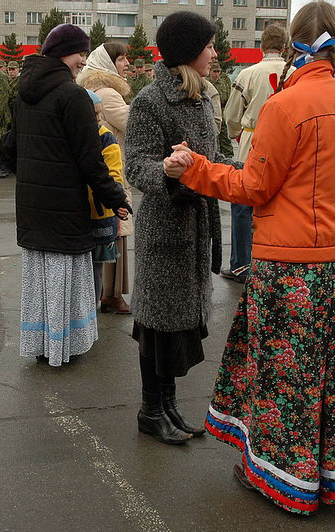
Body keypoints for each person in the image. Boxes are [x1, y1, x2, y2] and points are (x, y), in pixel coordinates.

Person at [164, 1, 335, 514]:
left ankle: (285, 478)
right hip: (333, 261)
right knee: (330, 368)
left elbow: (255, 186)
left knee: (286, 375)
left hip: (288, 263)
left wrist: (193, 168)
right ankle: (331, 475)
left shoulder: (287, 106)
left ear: (293, 46)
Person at [125, 12, 238, 445]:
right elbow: (136, 165)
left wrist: (253, 169)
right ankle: (150, 410)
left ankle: (167, 404)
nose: (214, 52)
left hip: (193, 229)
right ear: (188, 52)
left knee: (176, 326)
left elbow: (214, 161)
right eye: (208, 46)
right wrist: (168, 170)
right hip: (165, 230)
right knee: (156, 325)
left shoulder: (202, 98)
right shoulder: (150, 101)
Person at [0, 24, 130, 367]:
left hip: (32, 208)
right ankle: (62, 349)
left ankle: (42, 346)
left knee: (40, 280)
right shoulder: (73, 97)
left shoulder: (24, 92)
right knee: (65, 280)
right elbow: (90, 161)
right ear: (63, 52)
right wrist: (116, 197)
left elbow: (11, 146)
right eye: (80, 53)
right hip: (66, 207)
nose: (84, 60)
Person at [221, 23, 290, 283]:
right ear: (285, 46)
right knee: (281, 205)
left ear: (262, 46)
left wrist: (236, 132)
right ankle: (277, 263)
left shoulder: (248, 74)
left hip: (253, 143)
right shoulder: (296, 72)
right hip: (286, 146)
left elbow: (232, 115)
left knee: (243, 207)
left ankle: (241, 265)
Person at [77, 42, 134, 314]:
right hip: (112, 165)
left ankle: (106, 294)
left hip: (102, 168)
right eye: (121, 59)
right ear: (109, 64)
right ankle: (110, 294)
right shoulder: (109, 93)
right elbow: (132, 123)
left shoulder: (94, 90)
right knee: (115, 231)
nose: (126, 64)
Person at [85, 89, 129, 307]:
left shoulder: (105, 137)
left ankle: (92, 311)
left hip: (100, 214)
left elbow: (114, 174)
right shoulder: (71, 134)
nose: (100, 119)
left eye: (100, 114)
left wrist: (117, 199)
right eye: (94, 114)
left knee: (95, 268)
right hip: (76, 215)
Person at [208, 59, 234, 159]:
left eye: (218, 71)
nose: (217, 74)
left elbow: (229, 97)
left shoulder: (224, 81)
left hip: (223, 113)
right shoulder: (206, 83)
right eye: (214, 71)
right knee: (214, 141)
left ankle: (229, 160)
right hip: (211, 114)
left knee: (226, 141)